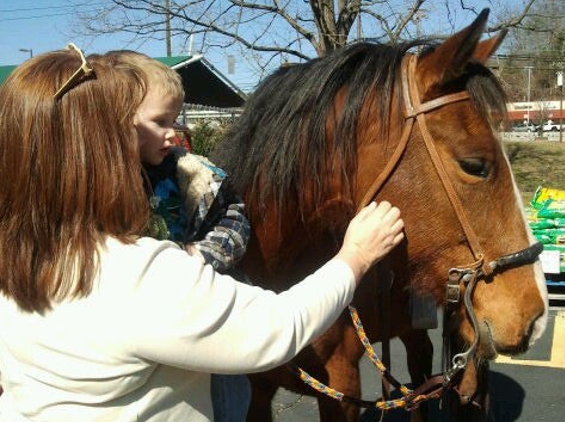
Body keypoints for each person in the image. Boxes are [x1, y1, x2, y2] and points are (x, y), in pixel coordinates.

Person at [0, 44, 405, 422]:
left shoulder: (15, 255)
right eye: (119, 131)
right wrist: (355, 254)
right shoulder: (137, 275)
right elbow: (279, 327)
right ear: (96, 151)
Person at [112, 50, 252, 422]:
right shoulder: (104, 184)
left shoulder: (193, 173)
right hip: (136, 330)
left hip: (197, 310)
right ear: (118, 120)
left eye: (173, 120)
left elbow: (233, 218)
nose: (173, 133)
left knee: (225, 394)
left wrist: (204, 255)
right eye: (160, 121)